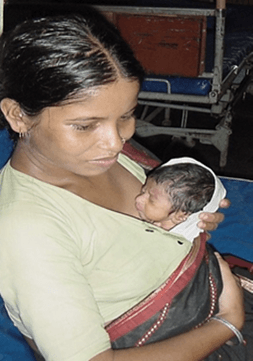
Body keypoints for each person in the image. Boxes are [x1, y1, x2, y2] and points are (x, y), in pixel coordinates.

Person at [0, 9, 250, 361]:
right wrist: (229, 322)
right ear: (18, 115)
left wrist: (193, 217)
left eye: (126, 116)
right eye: (86, 126)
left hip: (206, 293)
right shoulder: (28, 230)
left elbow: (150, 227)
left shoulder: (95, 156)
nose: (116, 143)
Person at [135, 157, 226, 241]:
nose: (139, 199)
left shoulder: (177, 240)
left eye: (151, 200)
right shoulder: (161, 214)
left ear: (180, 216)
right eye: (143, 191)